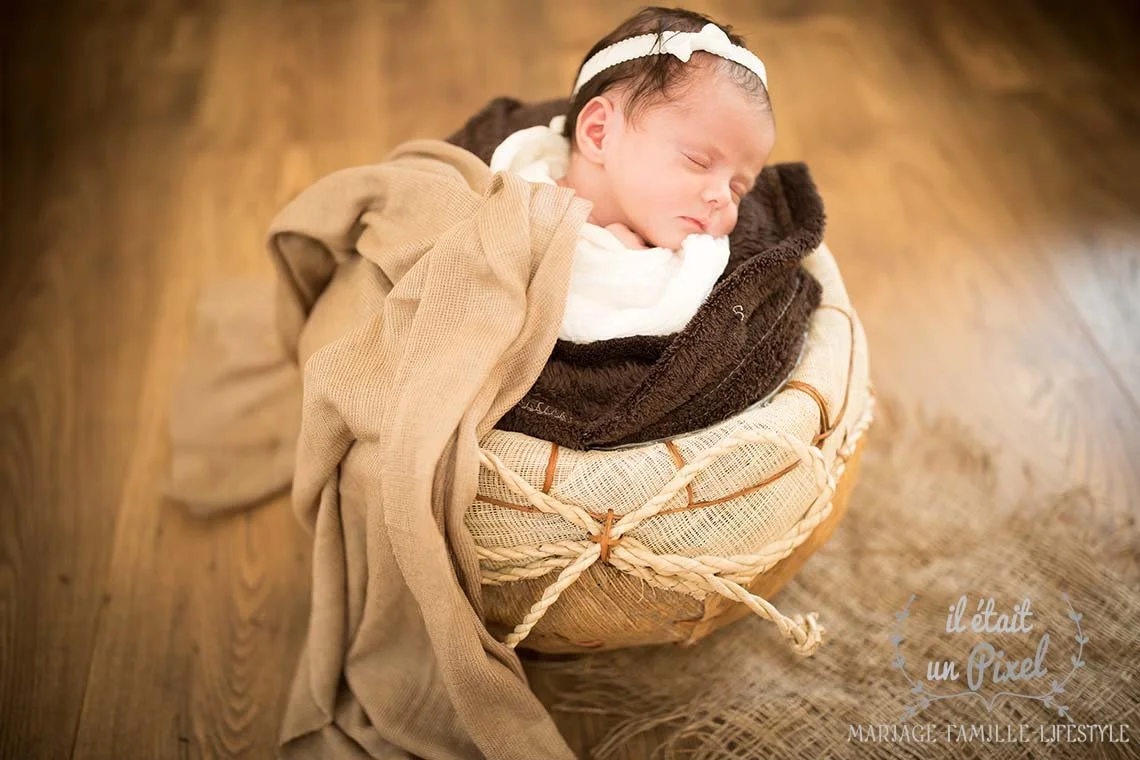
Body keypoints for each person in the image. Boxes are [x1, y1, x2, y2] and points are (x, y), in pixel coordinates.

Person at [490, 6, 776, 343]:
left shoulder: (682, 264)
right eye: (698, 161)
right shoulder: (522, 191)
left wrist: (636, 269)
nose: (723, 198)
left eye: (738, 188)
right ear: (600, 133)